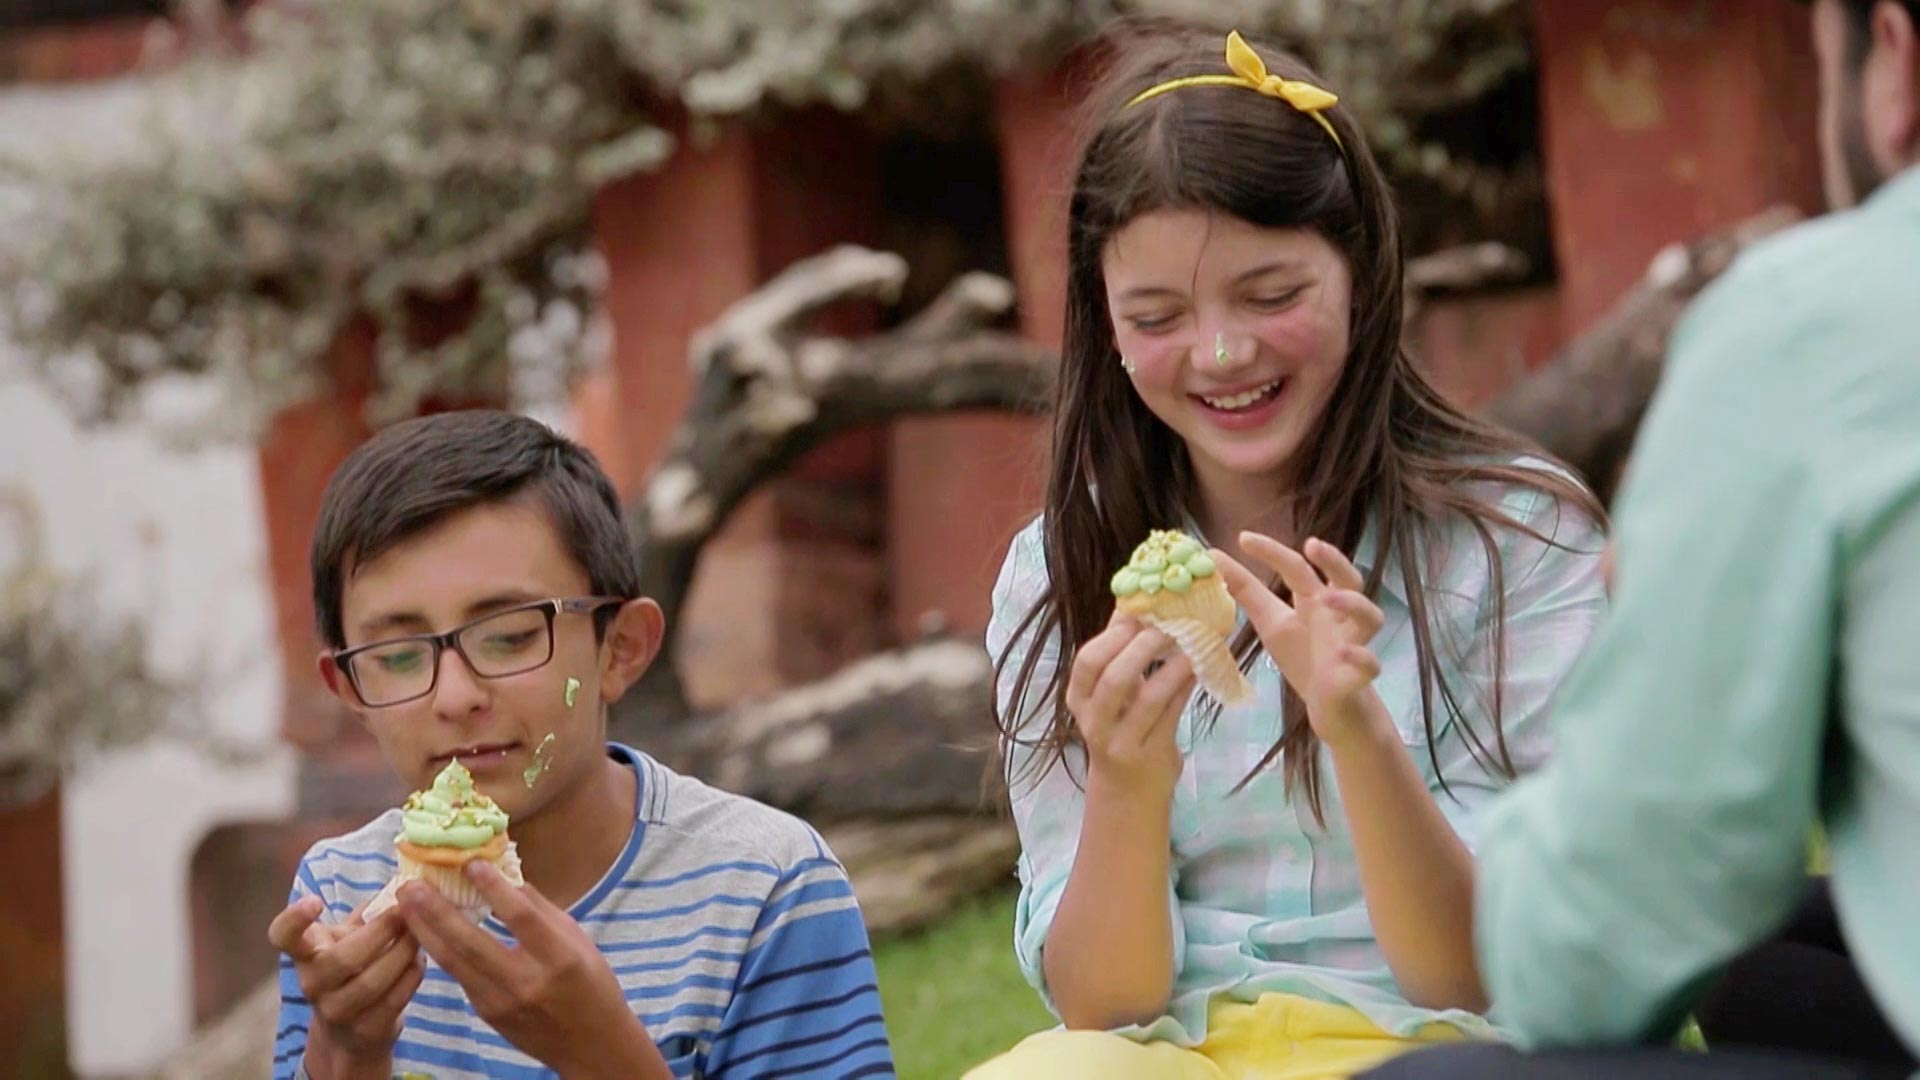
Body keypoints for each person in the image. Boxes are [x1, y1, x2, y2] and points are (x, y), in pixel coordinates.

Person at [965, 23, 1608, 1080]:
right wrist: (1127, 780)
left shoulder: (1518, 540)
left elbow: (1489, 976)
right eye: (1158, 314)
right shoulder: (1058, 570)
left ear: (1361, 271)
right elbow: (1104, 1006)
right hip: (1176, 1049)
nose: (1222, 353)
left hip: (1444, 1047)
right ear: (1105, 327)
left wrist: (1358, 733)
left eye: (1271, 296)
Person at [1364, 1, 1920, 1077]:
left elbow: (1596, 947)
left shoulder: (1813, 321)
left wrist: (1681, 625)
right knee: (1767, 960)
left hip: (1585, 899)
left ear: (1892, 57)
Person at [266, 410, 895, 1080]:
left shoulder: (764, 888)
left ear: (620, 649)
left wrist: (603, 1056)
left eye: (508, 635)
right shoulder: (339, 896)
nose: (453, 696)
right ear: (349, 690)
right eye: (396, 655)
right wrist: (346, 1053)